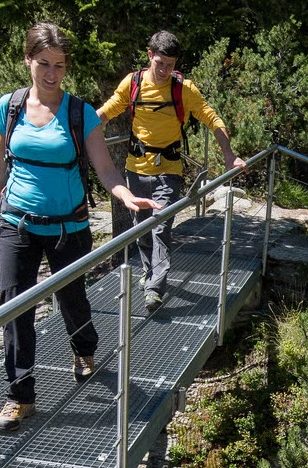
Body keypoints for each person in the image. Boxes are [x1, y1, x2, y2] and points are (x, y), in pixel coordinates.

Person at [0, 23, 143, 432]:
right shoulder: (10, 106)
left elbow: (104, 167)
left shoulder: (79, 113)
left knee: (72, 298)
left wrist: (124, 195)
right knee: (15, 305)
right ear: (27, 61)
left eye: (59, 66)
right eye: (43, 64)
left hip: (68, 226)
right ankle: (20, 395)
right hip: (16, 222)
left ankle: (84, 348)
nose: (52, 74)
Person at [97, 30, 248, 312]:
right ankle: (148, 271)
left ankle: (155, 288)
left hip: (169, 170)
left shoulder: (184, 89)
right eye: (160, 63)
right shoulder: (133, 84)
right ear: (149, 55)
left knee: (161, 226)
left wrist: (229, 154)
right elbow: (106, 113)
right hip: (135, 168)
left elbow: (211, 117)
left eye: (171, 64)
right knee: (141, 228)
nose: (165, 70)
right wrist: (78, 136)